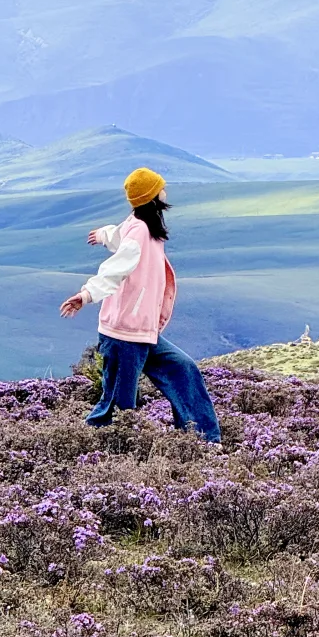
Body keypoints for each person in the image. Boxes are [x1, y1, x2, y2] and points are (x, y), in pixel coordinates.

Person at [59, 167, 221, 443]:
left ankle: (203, 441)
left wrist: (103, 235)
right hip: (123, 334)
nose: (165, 191)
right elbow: (117, 267)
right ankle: (84, 448)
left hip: (143, 332)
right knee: (117, 407)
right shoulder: (141, 230)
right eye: (161, 188)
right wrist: (86, 294)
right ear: (152, 196)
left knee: (184, 370)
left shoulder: (142, 224)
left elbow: (120, 235)